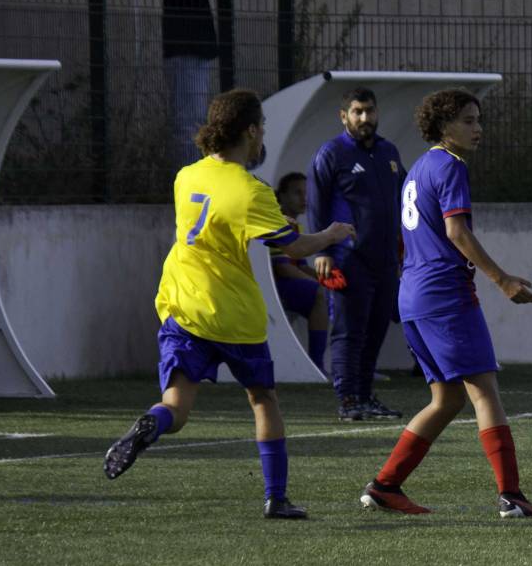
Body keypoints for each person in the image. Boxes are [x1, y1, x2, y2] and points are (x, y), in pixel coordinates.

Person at [103, 89, 354, 519]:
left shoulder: (186, 176)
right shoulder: (251, 191)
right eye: (262, 129)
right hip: (233, 314)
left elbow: (222, 223)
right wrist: (331, 234)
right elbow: (294, 248)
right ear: (251, 131)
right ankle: (276, 498)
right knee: (263, 399)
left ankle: (152, 423)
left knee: (176, 407)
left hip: (184, 304)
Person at [358, 90, 532, 519]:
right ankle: (511, 496)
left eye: (478, 120)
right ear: (443, 127)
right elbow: (456, 232)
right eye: (467, 121)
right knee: (484, 392)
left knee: (446, 399)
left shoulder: (419, 168)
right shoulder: (451, 165)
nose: (478, 129)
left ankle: (385, 485)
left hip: (413, 297)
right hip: (445, 296)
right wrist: (502, 279)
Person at [308, 87, 406, 421]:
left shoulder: (389, 151)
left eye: (370, 111)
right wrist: (323, 251)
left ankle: (365, 396)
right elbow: (317, 204)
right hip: (348, 259)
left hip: (385, 259)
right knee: (349, 331)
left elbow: (405, 195)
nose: (365, 118)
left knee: (376, 330)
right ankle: (348, 399)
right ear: (344, 116)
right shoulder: (332, 153)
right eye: (357, 111)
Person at [162, 0, 232, 167]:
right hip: (184, 55)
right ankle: (185, 175)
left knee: (196, 118)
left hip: (197, 54)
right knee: (187, 122)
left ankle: (192, 172)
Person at [269, 171, 331, 371]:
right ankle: (316, 365)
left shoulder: (295, 224)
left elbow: (301, 266)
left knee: (339, 292)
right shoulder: (278, 221)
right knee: (319, 294)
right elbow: (283, 268)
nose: (304, 198)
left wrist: (330, 281)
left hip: (288, 284)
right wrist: (319, 285)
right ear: (282, 195)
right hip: (274, 288)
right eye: (297, 193)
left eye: (307, 193)